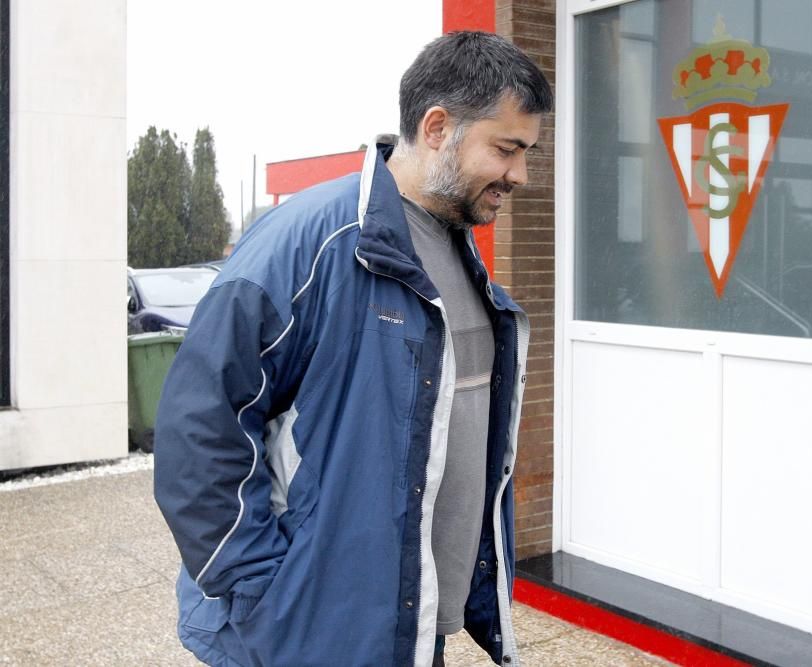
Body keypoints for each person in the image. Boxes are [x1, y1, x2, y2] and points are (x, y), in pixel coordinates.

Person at [153, 31, 552, 667]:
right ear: (439, 126)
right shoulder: (307, 244)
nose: (520, 175)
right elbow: (200, 431)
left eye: (526, 153)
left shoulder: (455, 246)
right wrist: (263, 590)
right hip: (310, 631)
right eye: (507, 150)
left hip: (412, 630)